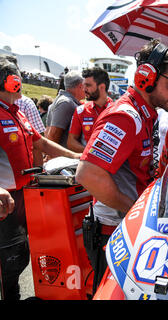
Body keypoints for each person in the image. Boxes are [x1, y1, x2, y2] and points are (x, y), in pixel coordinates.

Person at [75, 39, 168, 291]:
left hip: (126, 228)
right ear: (146, 78)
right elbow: (88, 174)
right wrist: (136, 211)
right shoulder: (126, 116)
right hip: (113, 233)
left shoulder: (146, 114)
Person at [0, 57, 81, 300]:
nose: (21, 82)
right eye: (18, 78)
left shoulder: (17, 112)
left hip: (25, 198)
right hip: (5, 202)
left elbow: (41, 142)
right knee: (8, 264)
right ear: (11, 81)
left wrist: (77, 156)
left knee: (19, 257)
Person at [67, 67, 113, 153]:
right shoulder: (81, 110)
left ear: (102, 87)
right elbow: (71, 142)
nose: (84, 89)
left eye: (88, 85)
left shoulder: (117, 110)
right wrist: (93, 153)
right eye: (84, 85)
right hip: (88, 162)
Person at [45, 71, 84, 148]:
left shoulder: (63, 100)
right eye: (85, 85)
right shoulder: (66, 103)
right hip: (62, 157)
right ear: (80, 86)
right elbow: (54, 135)